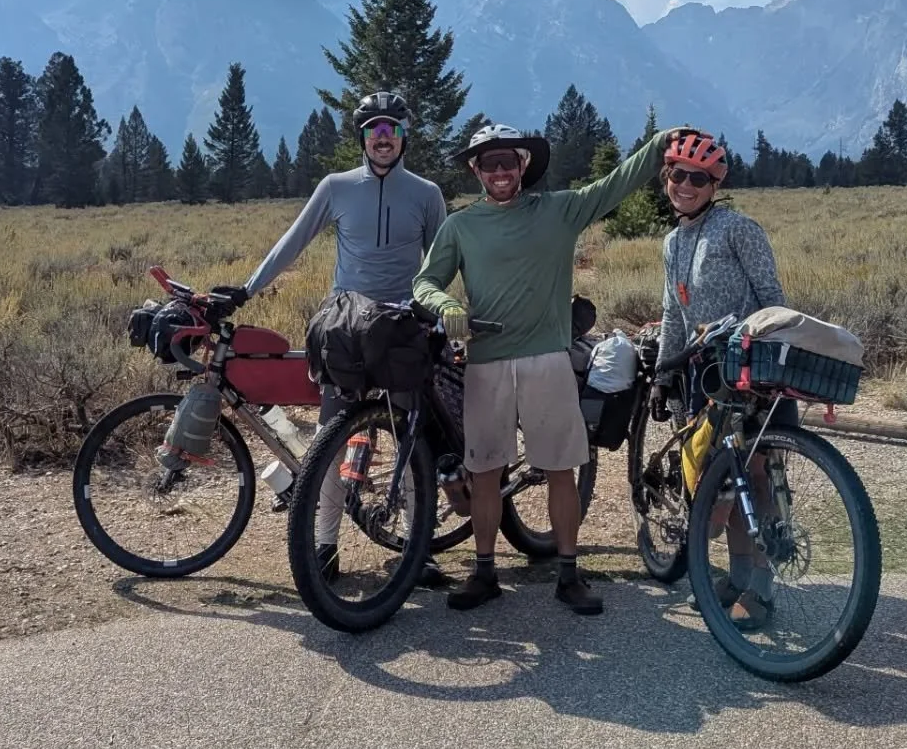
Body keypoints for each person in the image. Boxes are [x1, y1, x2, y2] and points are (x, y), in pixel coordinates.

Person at [413, 120, 684, 615]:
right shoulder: (460, 226)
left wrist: (659, 144)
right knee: (487, 470)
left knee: (560, 469)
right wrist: (445, 306)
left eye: (508, 161)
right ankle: (485, 572)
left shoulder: (560, 210)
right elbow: (424, 282)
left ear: (524, 166)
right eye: (489, 162)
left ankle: (567, 572)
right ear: (476, 169)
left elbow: (615, 184)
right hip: (486, 361)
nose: (499, 170)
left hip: (547, 359)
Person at [215, 91, 449, 584]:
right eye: (374, 132)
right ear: (362, 139)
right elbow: (292, 242)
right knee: (331, 438)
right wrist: (248, 289)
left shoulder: (426, 193)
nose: (383, 140)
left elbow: (441, 263)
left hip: (404, 327)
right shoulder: (337, 187)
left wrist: (445, 313)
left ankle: (414, 546)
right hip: (346, 328)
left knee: (409, 440)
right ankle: (324, 545)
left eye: (391, 131)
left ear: (404, 138)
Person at [651, 130, 790, 631]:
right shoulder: (672, 241)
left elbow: (774, 299)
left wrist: (759, 350)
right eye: (676, 175)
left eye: (697, 178)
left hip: (750, 369)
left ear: (714, 183)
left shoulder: (738, 229)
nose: (684, 185)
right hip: (701, 374)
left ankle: (764, 590)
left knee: (759, 479)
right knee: (724, 481)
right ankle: (734, 579)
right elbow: (673, 312)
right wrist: (664, 374)